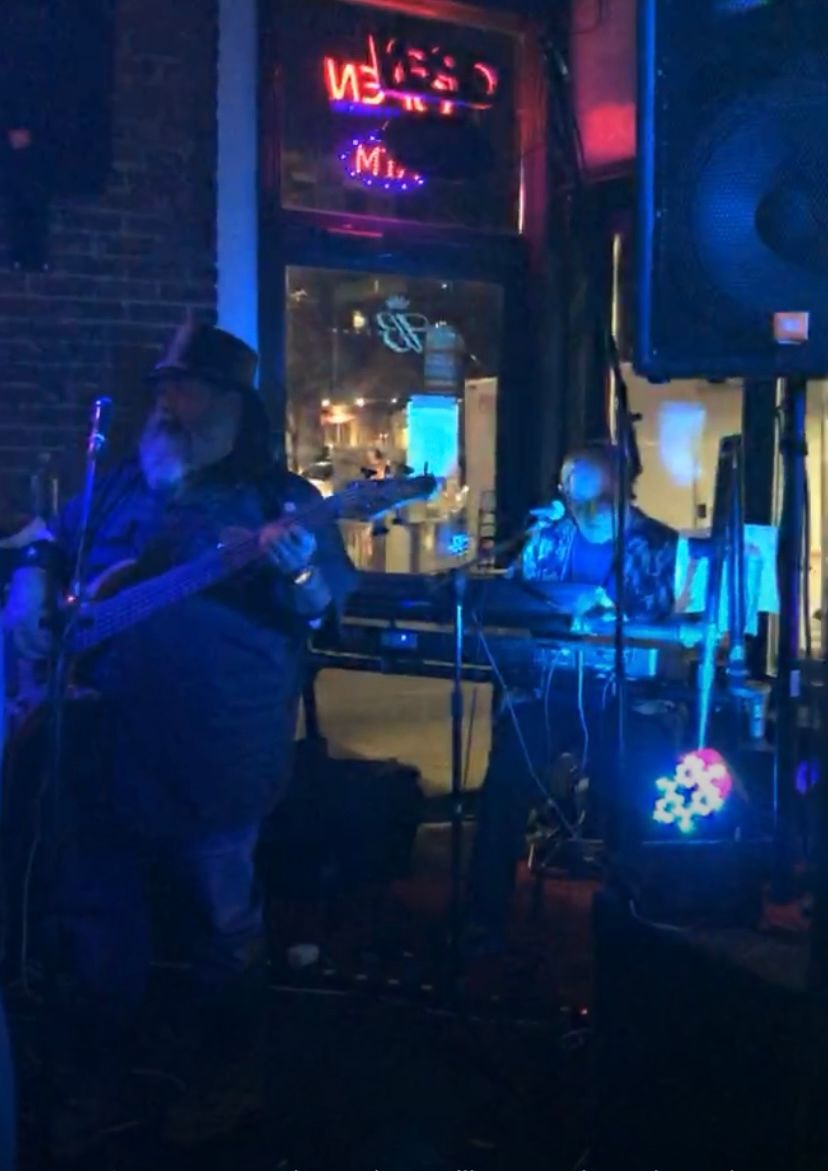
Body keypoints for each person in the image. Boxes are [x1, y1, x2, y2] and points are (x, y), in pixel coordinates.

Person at [4, 322, 357, 1147]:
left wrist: (301, 567)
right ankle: (106, 1074)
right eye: (162, 388)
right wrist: (31, 585)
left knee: (220, 923)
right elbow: (49, 542)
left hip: (214, 751)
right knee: (99, 917)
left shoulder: (278, 500)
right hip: (102, 747)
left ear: (231, 407)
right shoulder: (122, 484)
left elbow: (321, 606)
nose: (166, 404)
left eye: (184, 388)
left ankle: (229, 1078)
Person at [466, 442, 679, 952]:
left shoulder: (658, 543)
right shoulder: (547, 538)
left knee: (638, 775)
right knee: (507, 776)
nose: (579, 507)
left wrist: (609, 615)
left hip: (621, 692)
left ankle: (632, 913)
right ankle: (484, 916)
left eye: (591, 496)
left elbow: (661, 619)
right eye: (570, 493)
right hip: (551, 687)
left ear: (620, 488)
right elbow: (512, 601)